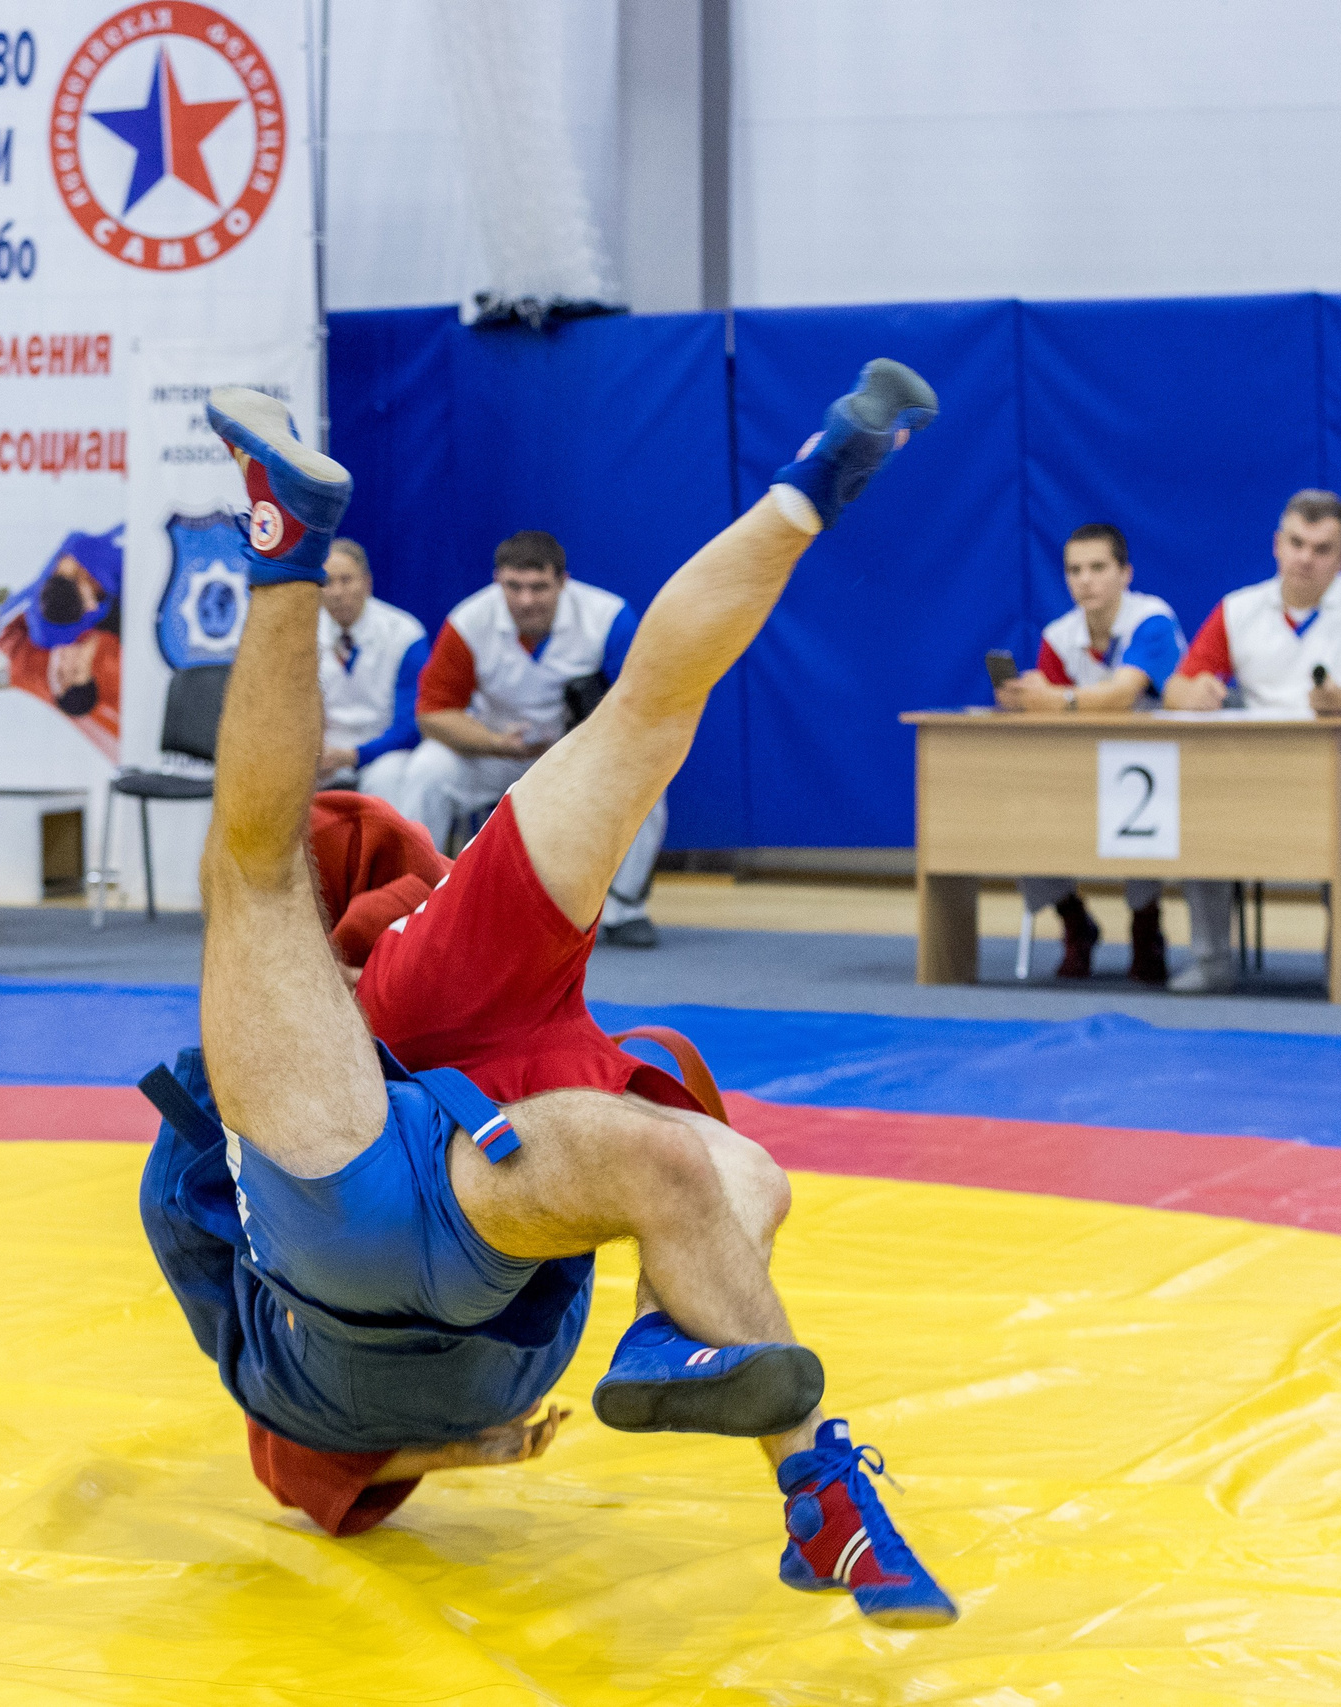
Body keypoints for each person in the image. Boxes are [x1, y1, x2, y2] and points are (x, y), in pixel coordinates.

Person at [138, 362, 960, 1627]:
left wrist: (453, 1445)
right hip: (466, 1137)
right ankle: (809, 484)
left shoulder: (302, 1421)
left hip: (381, 1172)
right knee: (645, 738)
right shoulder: (553, 1084)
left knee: (256, 881)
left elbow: (193, 1199)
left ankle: (282, 543)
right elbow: (197, 1199)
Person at [1160, 489, 1341, 993]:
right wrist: (1191, 692)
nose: (1306, 558)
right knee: (1196, 818)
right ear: (1277, 545)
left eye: (1322, 549)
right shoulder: (1237, 609)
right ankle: (1213, 959)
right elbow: (1176, 685)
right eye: (1297, 543)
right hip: (1253, 776)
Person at [397, 532, 665, 946]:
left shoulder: (608, 618)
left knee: (643, 773)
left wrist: (584, 744)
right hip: (498, 747)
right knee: (426, 768)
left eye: (538, 587)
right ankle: (417, 899)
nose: (525, 600)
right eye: (513, 587)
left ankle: (623, 908)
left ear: (563, 582)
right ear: (497, 581)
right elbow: (433, 713)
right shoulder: (469, 621)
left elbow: (642, 710)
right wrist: (497, 742)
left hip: (581, 754)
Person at [995, 523, 1186, 983]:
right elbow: (1046, 717)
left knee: (1138, 814)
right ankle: (1073, 921)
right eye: (1075, 570)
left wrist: (1055, 699)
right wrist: (1024, 698)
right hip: (1081, 769)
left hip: (1160, 770)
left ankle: (1146, 926)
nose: (1086, 580)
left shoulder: (1152, 620)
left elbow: (1123, 694)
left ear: (1126, 574)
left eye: (1098, 568)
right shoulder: (1059, 636)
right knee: (1020, 813)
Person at [314, 538, 429, 801]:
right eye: (327, 582)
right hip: (321, 753)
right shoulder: (300, 635)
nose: (337, 592)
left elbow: (413, 723)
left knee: (387, 782)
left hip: (385, 752)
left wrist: (354, 755)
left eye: (346, 580)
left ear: (367, 583)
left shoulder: (404, 634)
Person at [0, 528, 124, 762]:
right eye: (75, 670)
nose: (67, 661)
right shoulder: (113, 661)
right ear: (89, 672)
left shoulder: (44, 636)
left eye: (59, 672)